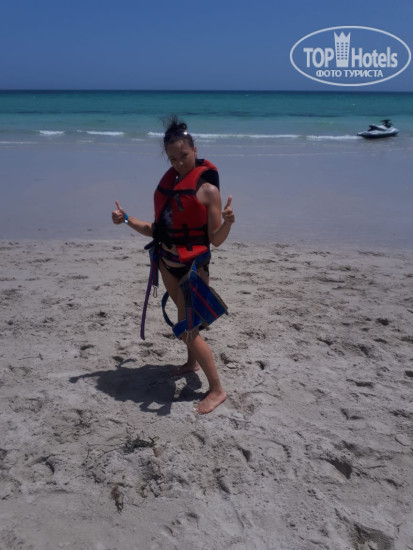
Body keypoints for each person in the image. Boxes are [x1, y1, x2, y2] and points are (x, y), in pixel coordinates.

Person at [112, 117, 235, 414]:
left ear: (196, 150)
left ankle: (217, 390)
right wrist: (126, 219)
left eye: (184, 156)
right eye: (173, 159)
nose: (179, 163)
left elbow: (216, 240)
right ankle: (192, 363)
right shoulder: (170, 186)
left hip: (193, 269)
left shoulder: (208, 191)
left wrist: (229, 223)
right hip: (166, 263)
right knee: (186, 324)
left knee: (186, 330)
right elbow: (156, 230)